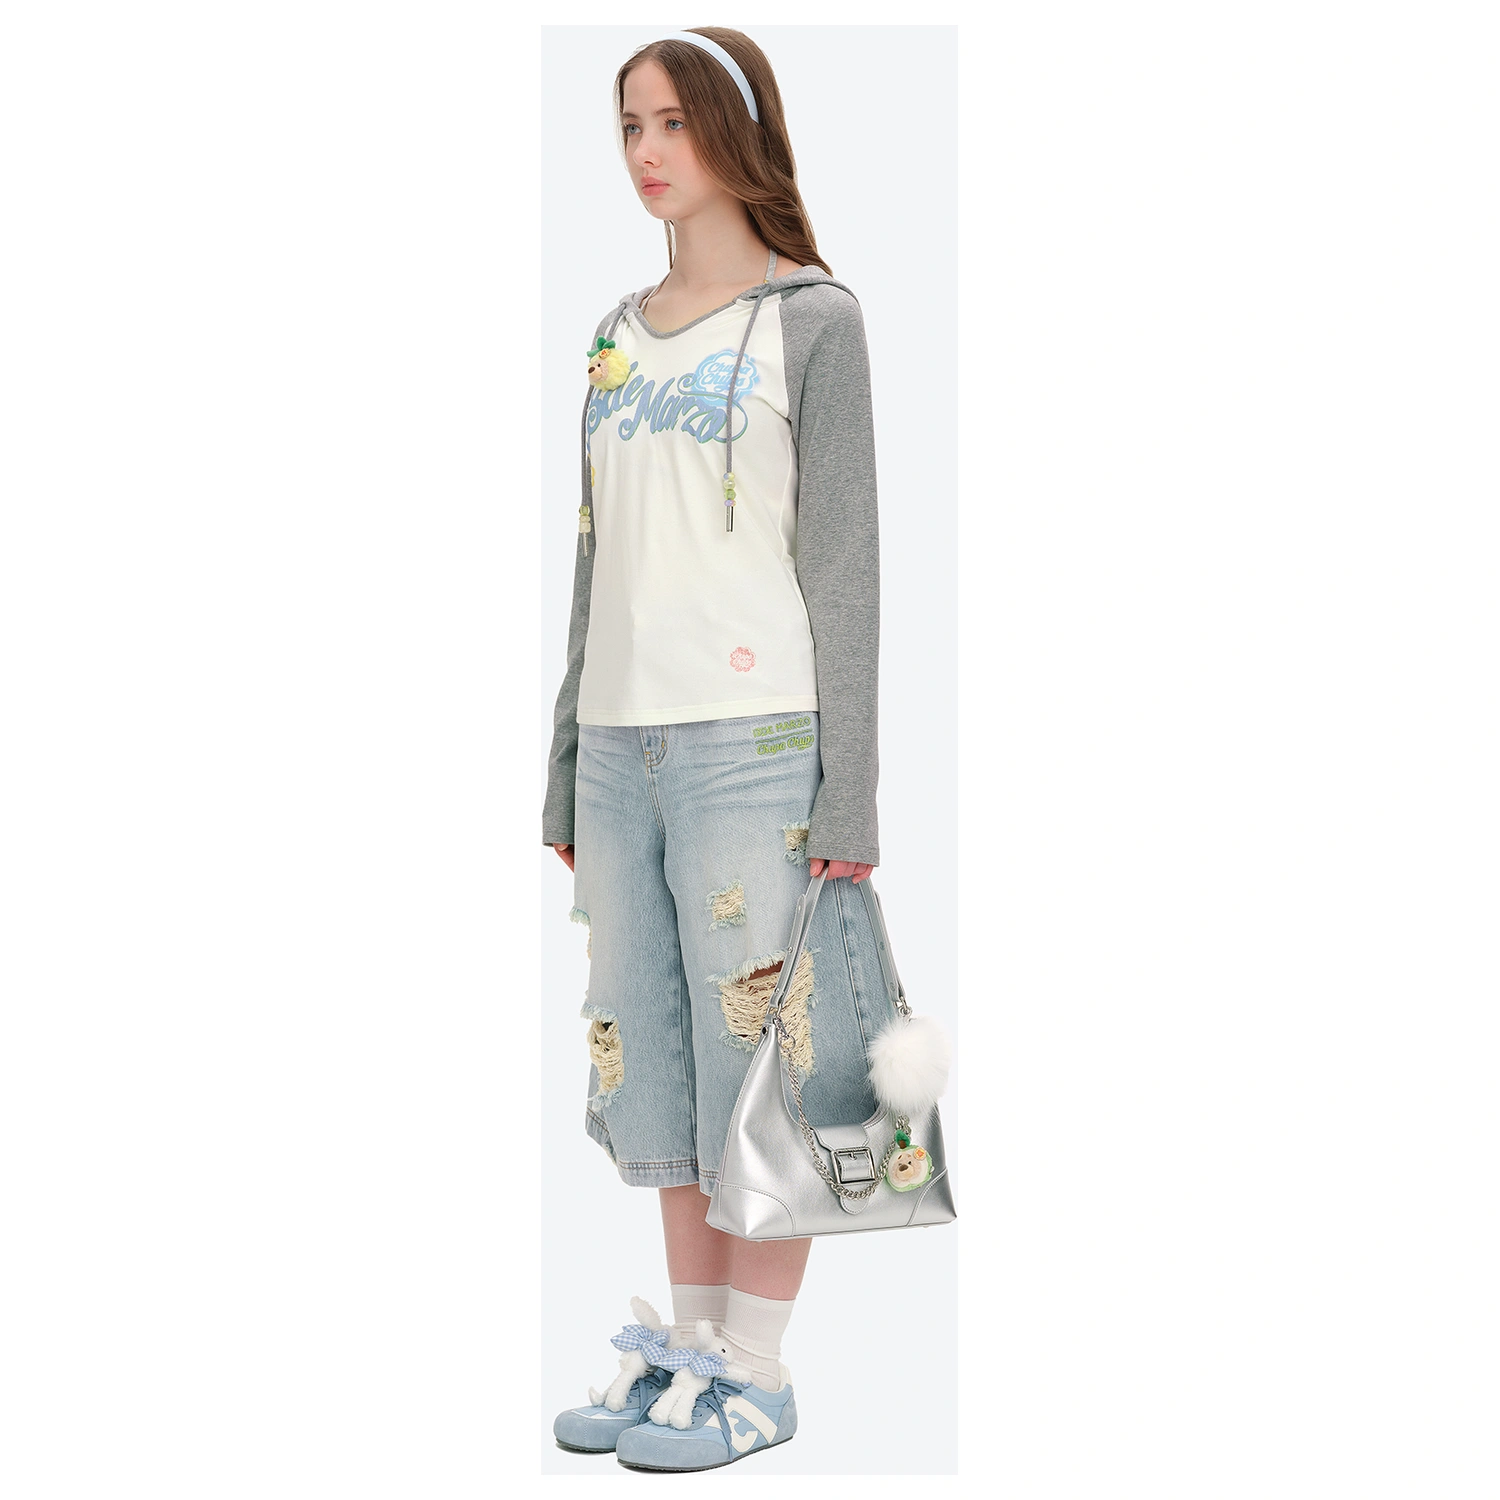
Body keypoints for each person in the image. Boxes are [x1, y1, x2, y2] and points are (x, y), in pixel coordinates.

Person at [544, 29, 895, 1472]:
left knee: (762, 1065)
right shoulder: (615, 334)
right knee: (657, 1059)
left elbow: (847, 568)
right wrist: (564, 758)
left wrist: (849, 792)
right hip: (620, 747)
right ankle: (691, 1354)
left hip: (756, 747)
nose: (647, 151)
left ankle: (758, 1373)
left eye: (676, 123)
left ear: (737, 135)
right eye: (631, 123)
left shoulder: (815, 321)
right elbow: (596, 560)